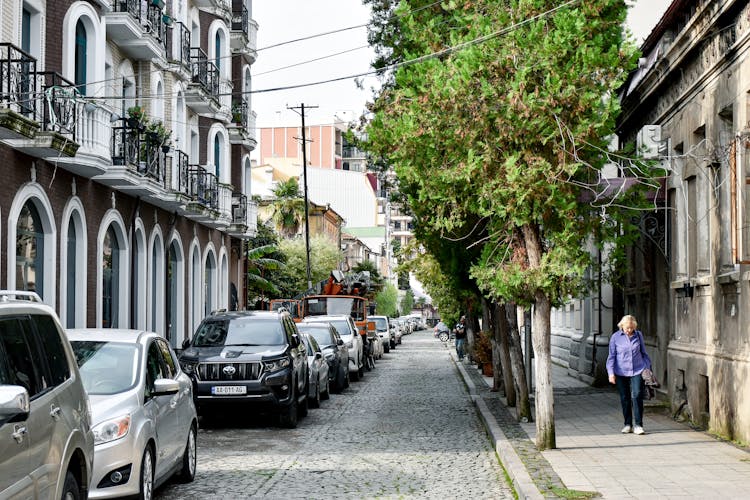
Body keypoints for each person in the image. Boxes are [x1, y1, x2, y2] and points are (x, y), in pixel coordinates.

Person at [606, 314, 652, 435]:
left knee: (636, 395)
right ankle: (628, 424)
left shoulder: (638, 335)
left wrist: (647, 368)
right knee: (625, 398)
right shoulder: (615, 337)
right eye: (627, 328)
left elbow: (644, 353)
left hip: (637, 370)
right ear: (622, 326)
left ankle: (638, 425)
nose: (629, 330)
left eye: (632, 328)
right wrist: (611, 373)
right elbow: (611, 356)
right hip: (620, 371)